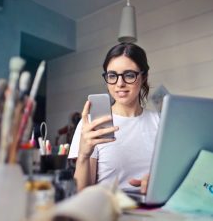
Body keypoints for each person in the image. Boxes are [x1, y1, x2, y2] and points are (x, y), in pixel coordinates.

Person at [68, 43, 159, 192]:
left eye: (129, 75)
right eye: (112, 76)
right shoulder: (92, 124)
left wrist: (157, 183)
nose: (120, 83)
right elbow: (82, 193)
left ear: (144, 77)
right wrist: (83, 155)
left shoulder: (160, 121)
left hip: (153, 211)